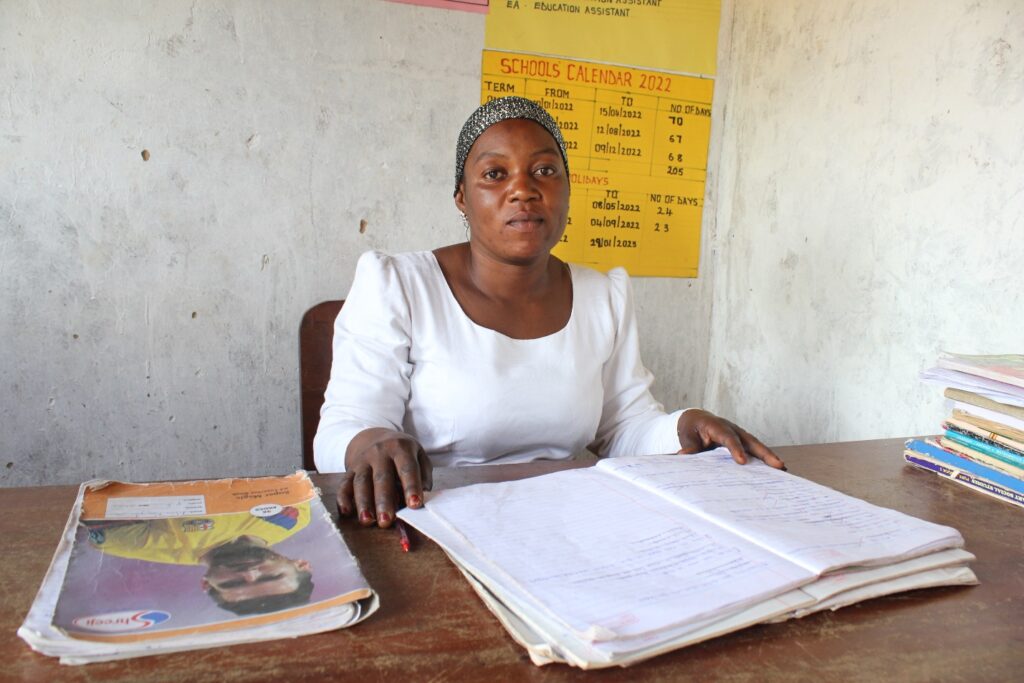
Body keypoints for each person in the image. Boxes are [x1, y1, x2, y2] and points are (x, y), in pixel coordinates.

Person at [313, 96, 784, 528]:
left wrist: (684, 425)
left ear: (567, 190)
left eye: (544, 171)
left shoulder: (604, 295)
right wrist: (368, 441)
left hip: (567, 522)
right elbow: (341, 431)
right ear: (462, 197)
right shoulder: (399, 285)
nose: (523, 190)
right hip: (433, 518)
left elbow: (623, 429)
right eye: (495, 174)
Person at [85, 505, 314, 615]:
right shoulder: (297, 517)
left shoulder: (145, 543)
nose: (250, 573)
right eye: (272, 575)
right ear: (300, 565)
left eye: (233, 583)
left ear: (206, 583)